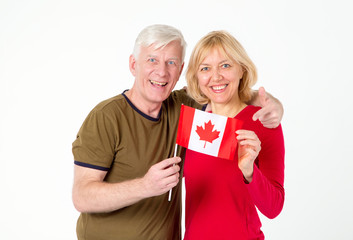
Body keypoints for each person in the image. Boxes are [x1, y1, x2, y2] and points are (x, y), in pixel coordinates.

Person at [71, 24, 284, 240]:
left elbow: (222, 91)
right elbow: (81, 196)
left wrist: (273, 106)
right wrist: (145, 186)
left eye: (171, 62)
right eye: (152, 60)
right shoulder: (111, 116)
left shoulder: (195, 114)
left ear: (180, 70)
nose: (161, 71)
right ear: (134, 64)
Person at [184, 30, 285, 240]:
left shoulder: (263, 122)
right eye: (205, 68)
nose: (216, 76)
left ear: (242, 70)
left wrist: (249, 172)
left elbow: (274, 208)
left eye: (226, 65)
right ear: (197, 76)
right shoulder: (191, 122)